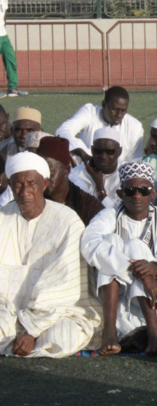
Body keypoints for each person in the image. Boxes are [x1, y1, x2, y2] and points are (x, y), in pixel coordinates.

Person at [0, 152, 100, 357]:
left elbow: (64, 284)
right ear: (10, 185)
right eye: (18, 184)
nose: (25, 191)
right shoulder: (2, 218)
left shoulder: (67, 221)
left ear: (44, 184)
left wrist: (32, 330)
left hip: (59, 311)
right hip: (7, 311)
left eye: (32, 183)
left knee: (61, 338)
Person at [81, 162, 157, 358]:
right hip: (118, 301)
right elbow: (89, 244)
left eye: (143, 190)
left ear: (153, 193)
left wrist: (155, 270)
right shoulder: (109, 215)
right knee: (110, 241)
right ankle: (110, 332)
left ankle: (153, 329)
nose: (137, 196)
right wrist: (141, 274)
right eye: (130, 191)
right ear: (120, 193)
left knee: (135, 246)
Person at [56, 86, 144, 165]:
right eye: (114, 109)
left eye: (123, 110)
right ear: (104, 104)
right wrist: (82, 153)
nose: (119, 114)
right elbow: (62, 131)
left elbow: (134, 163)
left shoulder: (135, 127)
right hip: (86, 170)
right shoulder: (90, 112)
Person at [35, 136, 103, 226]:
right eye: (39, 173)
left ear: (66, 171)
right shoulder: (29, 199)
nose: (43, 179)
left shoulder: (88, 207)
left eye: (50, 173)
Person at [68, 128, 122, 207]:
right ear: (92, 150)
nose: (103, 156)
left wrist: (99, 186)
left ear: (119, 151)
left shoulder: (128, 176)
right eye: (98, 151)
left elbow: (118, 214)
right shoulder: (75, 174)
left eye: (110, 152)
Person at [0, 0, 24, 98]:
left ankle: (12, 87)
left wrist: (4, 23)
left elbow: (5, 11)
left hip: (2, 34)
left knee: (10, 60)